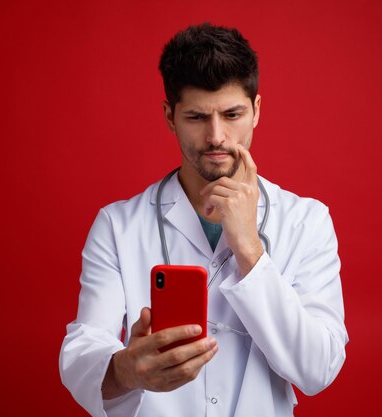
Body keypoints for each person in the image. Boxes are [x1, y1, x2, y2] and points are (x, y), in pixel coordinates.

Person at [59, 23, 348, 417]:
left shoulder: (306, 221)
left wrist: (248, 247)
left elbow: (319, 369)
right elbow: (83, 349)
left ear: (256, 111)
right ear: (169, 116)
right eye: (196, 117)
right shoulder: (117, 225)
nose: (216, 137)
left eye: (232, 114)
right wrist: (126, 370)